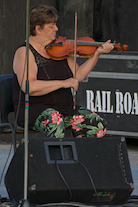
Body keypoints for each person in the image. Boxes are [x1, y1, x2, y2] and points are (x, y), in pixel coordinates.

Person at [13, 4, 114, 139]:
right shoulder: (25, 52)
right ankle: (52, 159)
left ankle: (77, 158)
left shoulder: (59, 49)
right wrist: (63, 83)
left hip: (63, 109)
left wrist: (97, 54)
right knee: (55, 121)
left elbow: (78, 76)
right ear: (38, 29)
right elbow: (29, 86)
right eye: (51, 26)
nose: (56, 29)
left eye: (55, 25)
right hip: (34, 110)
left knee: (97, 124)